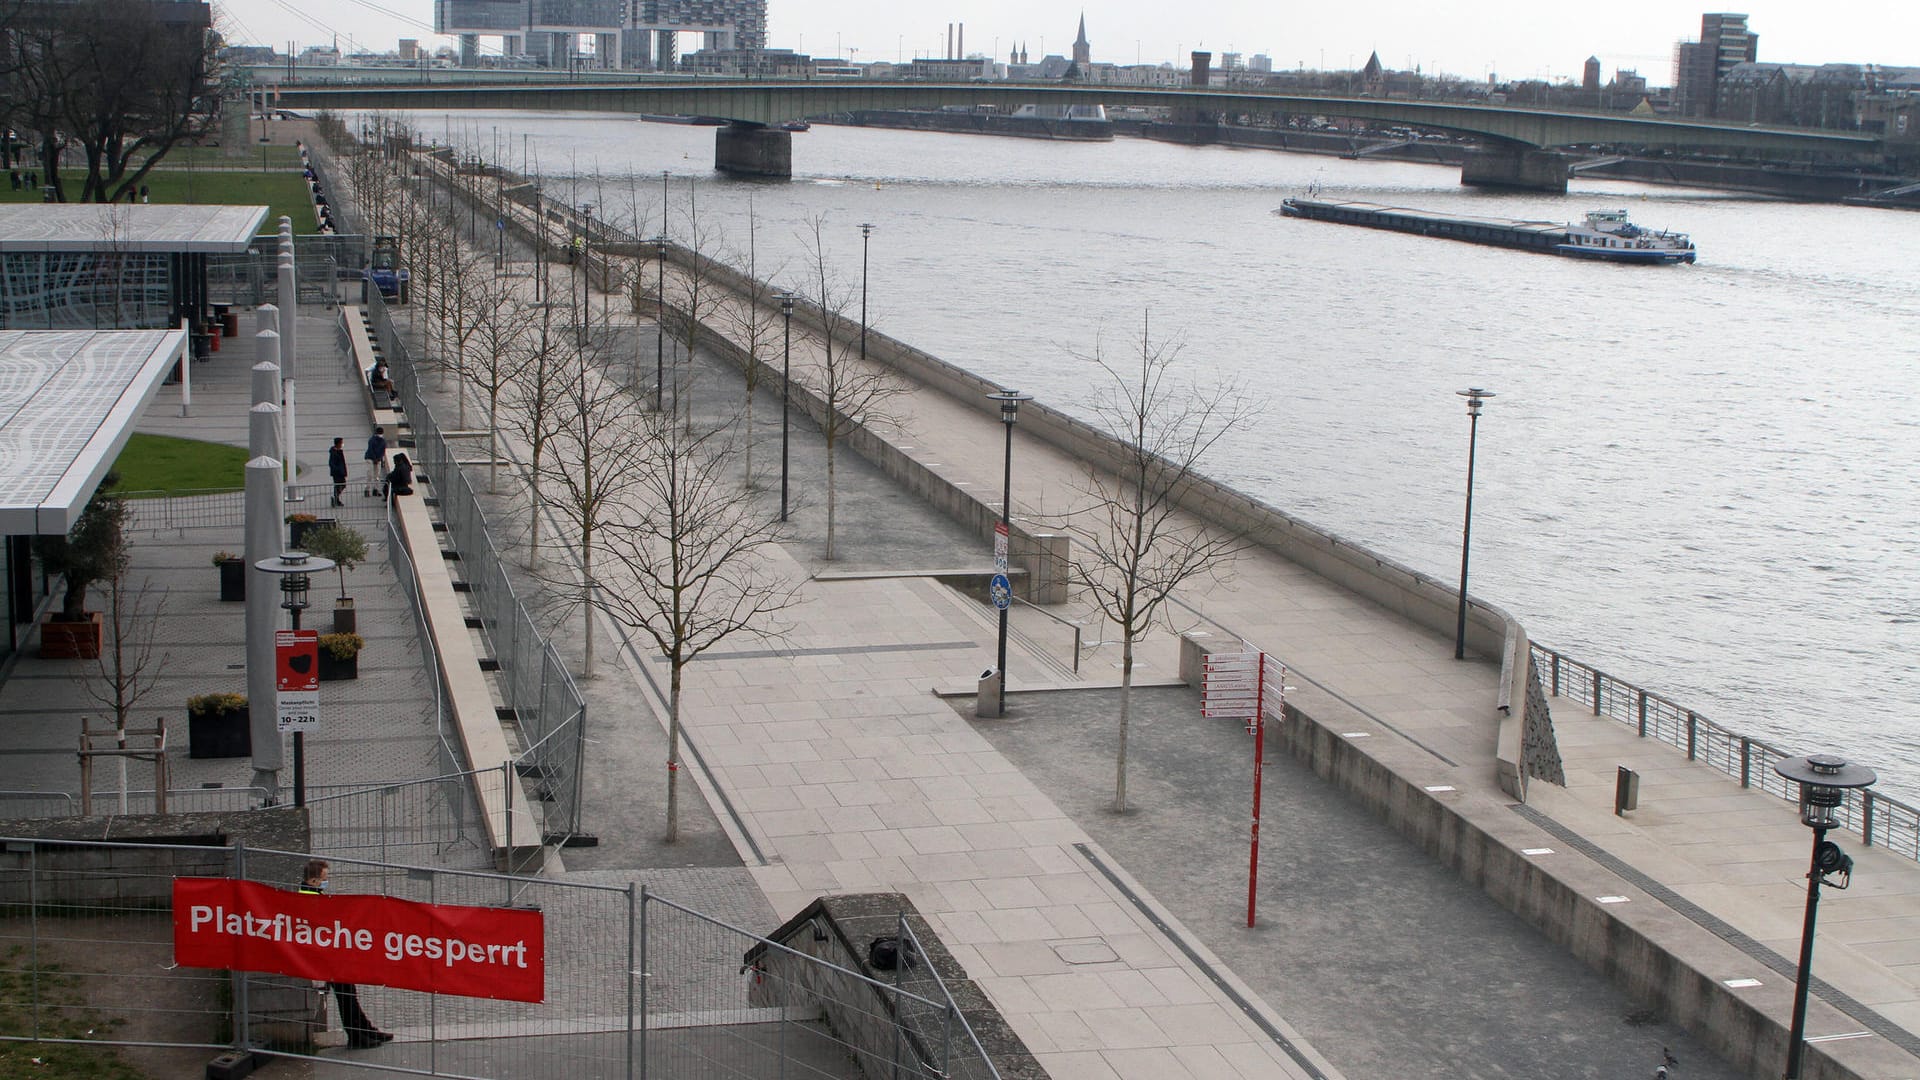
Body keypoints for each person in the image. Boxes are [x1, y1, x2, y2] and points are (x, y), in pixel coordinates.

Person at [299, 860, 392, 1049]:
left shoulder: (314, 894)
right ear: (314, 880)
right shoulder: (308, 898)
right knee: (345, 995)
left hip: (332, 954)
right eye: (324, 878)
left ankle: (366, 1030)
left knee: (349, 994)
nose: (326, 881)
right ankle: (357, 1036)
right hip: (327, 957)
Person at [362, 426, 387, 497]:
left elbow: (383, 451)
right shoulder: (372, 440)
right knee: (369, 474)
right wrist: (375, 458)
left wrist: (379, 459)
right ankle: (367, 489)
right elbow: (371, 450)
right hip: (370, 458)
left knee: (377, 475)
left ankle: (375, 489)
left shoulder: (383, 441)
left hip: (378, 459)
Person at [327, 437, 348, 507]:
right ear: (338, 443)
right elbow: (331, 463)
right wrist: (338, 470)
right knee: (338, 485)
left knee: (342, 485)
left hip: (341, 472)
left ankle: (336, 498)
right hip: (337, 473)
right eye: (341, 443)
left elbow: (343, 462)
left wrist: (344, 472)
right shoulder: (333, 452)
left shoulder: (339, 451)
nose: (342, 444)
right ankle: (336, 499)